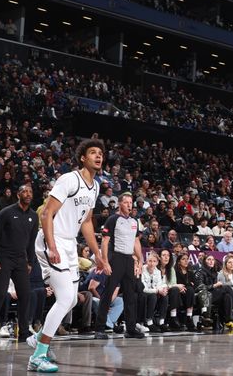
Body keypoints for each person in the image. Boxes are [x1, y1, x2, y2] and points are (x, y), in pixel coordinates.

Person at [27, 139, 110, 373]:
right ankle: (38, 355)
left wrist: (98, 256)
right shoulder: (69, 179)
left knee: (72, 300)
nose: (98, 156)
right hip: (52, 240)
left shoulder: (94, 187)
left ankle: (39, 338)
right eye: (92, 152)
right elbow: (46, 214)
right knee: (64, 298)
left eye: (101, 153)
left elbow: (85, 222)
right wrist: (52, 247)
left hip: (69, 244)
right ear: (82, 158)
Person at [0, 184, 39, 343]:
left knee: (25, 294)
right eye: (24, 192)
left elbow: (31, 241)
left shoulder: (34, 216)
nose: (28, 194)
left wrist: (30, 261)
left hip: (21, 260)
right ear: (18, 194)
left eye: (30, 191)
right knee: (0, 294)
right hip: (3, 258)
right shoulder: (6, 212)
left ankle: (23, 333)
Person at [94, 191, 145, 339]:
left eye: (131, 202)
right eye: (126, 202)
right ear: (120, 204)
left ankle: (130, 328)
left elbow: (136, 242)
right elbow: (104, 241)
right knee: (108, 293)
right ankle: (99, 329)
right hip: (115, 258)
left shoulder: (134, 222)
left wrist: (140, 260)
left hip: (129, 259)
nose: (129, 205)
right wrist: (105, 262)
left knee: (130, 295)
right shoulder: (113, 219)